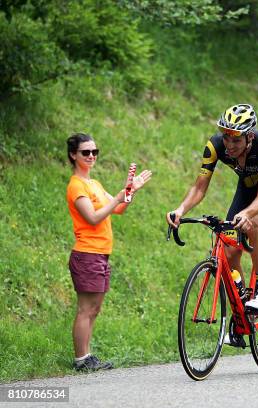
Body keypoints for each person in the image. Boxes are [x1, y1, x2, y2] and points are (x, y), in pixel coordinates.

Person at [166, 104, 258, 324]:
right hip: (246, 188)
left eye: (236, 140)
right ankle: (242, 310)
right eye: (226, 138)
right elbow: (199, 188)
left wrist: (247, 214)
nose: (229, 145)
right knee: (229, 249)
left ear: (249, 137)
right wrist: (180, 209)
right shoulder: (215, 146)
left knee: (253, 222)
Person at [66, 133, 152, 371]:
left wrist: (131, 190)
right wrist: (117, 196)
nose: (91, 156)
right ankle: (81, 359)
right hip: (87, 254)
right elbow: (93, 218)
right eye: (86, 152)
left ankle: (86, 356)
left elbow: (120, 208)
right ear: (74, 155)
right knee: (86, 308)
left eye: (95, 151)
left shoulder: (94, 184)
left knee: (95, 308)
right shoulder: (76, 186)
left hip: (101, 254)